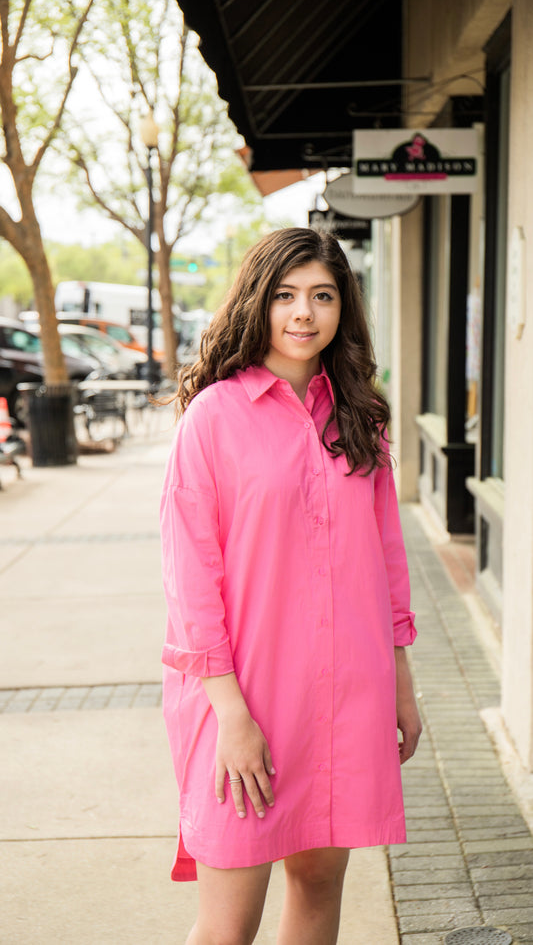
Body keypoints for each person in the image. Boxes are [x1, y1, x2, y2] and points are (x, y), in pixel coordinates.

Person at [160, 227, 422, 945]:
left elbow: (386, 562)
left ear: (343, 309)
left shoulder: (359, 417)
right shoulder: (213, 418)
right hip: (242, 696)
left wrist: (399, 684)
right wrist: (230, 715)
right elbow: (190, 580)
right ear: (257, 302)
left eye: (321, 296)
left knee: (316, 887)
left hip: (344, 693)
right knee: (227, 925)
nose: (302, 313)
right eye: (284, 295)